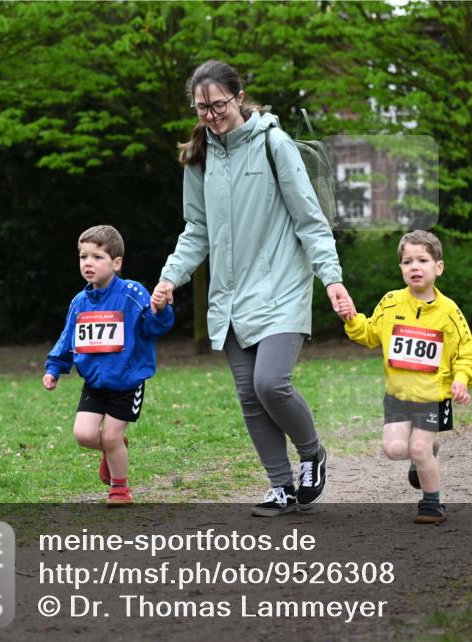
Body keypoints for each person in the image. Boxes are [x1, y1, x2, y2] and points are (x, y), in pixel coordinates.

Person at [150, 60, 355, 517]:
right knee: (249, 395)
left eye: (218, 104)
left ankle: (312, 453)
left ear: (239, 98)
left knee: (271, 383)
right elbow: (196, 229)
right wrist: (169, 277)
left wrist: (333, 279)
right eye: (201, 107)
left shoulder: (273, 144)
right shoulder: (198, 157)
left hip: (281, 285)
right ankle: (280, 486)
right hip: (229, 295)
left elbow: (311, 221)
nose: (210, 114)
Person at [343, 230, 472, 524]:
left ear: (438, 267)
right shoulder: (391, 303)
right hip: (398, 396)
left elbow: (466, 353)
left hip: (433, 396)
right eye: (407, 261)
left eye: (423, 260)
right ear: (401, 268)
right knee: (394, 450)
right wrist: (352, 319)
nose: (415, 267)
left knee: (418, 447)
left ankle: (432, 503)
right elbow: (369, 334)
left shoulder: (449, 312)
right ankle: (426, 455)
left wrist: (462, 379)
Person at [44, 225, 175, 506]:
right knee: (84, 435)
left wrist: (160, 309)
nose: (88, 263)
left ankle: (119, 489)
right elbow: (68, 338)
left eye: (97, 257)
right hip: (94, 383)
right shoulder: (79, 302)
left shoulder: (132, 292)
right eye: (83, 257)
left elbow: (154, 327)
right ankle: (114, 448)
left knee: (111, 434)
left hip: (127, 382)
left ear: (116, 263)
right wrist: (54, 368)